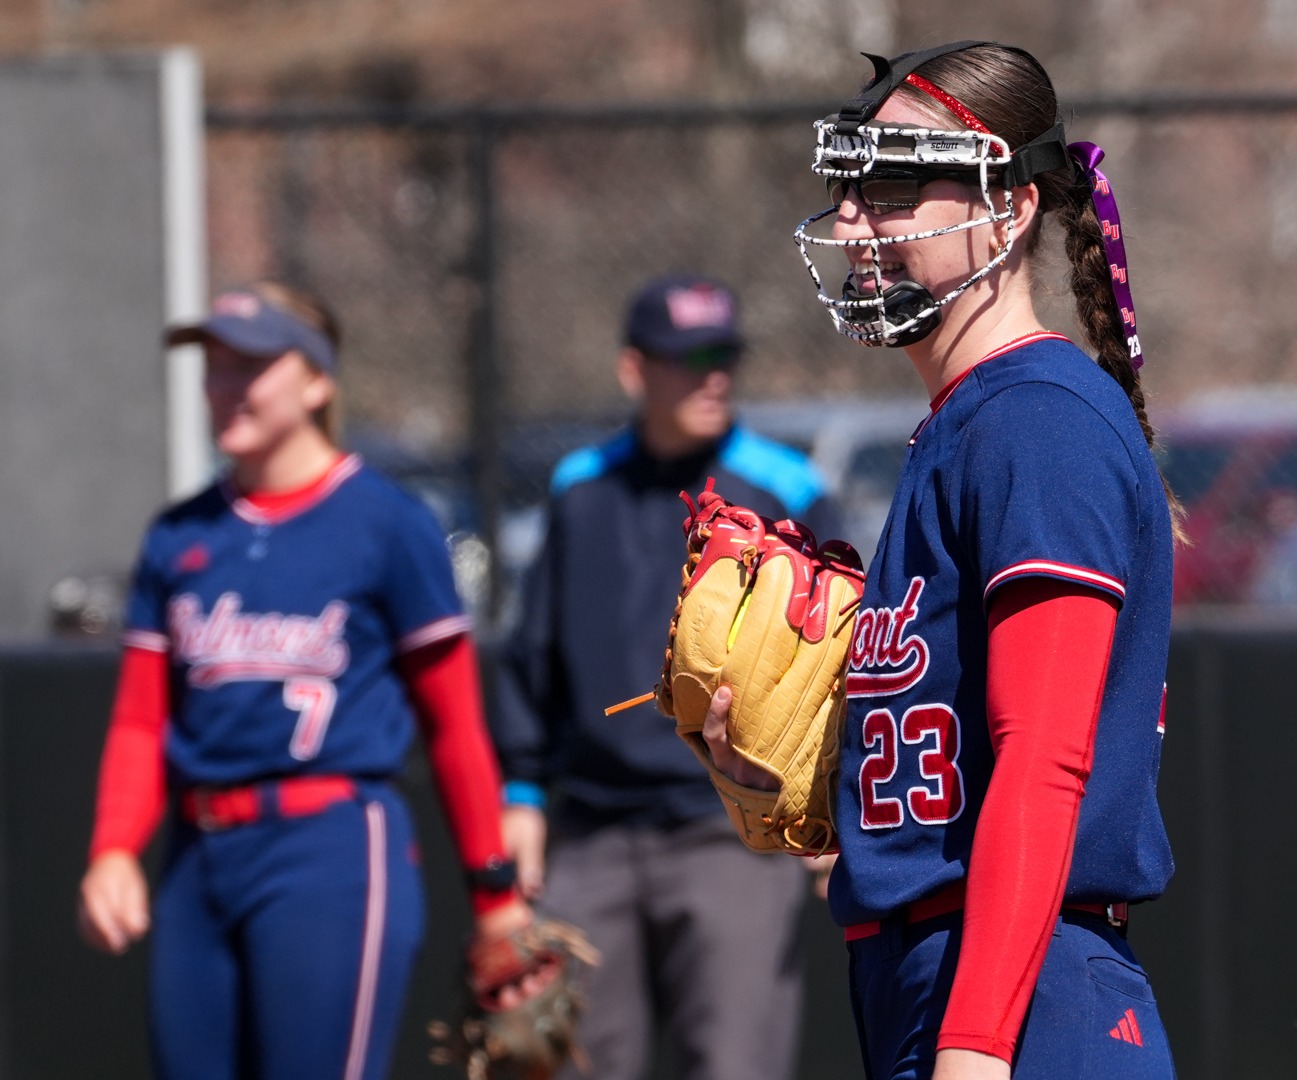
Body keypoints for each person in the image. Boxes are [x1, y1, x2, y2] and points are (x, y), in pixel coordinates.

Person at [708, 39, 1180, 1080]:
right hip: (939, 972)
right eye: (847, 189)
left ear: (1009, 210)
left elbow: (1047, 760)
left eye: (891, 189)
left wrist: (975, 1043)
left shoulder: (1038, 426)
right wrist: (821, 800)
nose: (851, 223)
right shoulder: (964, 426)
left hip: (1023, 993)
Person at [76, 282, 533, 1080]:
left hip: (330, 850)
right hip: (197, 859)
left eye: (251, 363)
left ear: (318, 382)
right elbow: (140, 721)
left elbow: (454, 723)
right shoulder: (179, 535)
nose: (226, 386)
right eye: (215, 365)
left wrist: (496, 895)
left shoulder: (387, 525)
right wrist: (114, 848)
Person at [491, 274, 834, 1080]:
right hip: (594, 831)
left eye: (725, 357)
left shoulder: (785, 489)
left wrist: (823, 799)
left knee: (736, 1065)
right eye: (689, 358)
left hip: (733, 832)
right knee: (573, 1064)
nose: (713, 375)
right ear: (634, 369)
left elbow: (841, 660)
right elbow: (532, 653)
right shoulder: (583, 489)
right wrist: (522, 797)